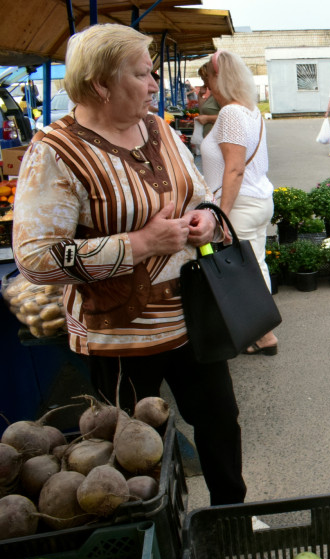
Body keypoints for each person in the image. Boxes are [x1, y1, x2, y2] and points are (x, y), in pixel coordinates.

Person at [12, 23, 246, 505]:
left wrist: (205, 219)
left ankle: (231, 518)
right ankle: (163, 531)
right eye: (142, 74)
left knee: (221, 422)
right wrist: (139, 244)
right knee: (135, 454)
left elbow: (200, 194)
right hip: (119, 336)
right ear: (101, 84)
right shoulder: (55, 152)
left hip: (193, 318)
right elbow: (35, 259)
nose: (155, 85)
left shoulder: (158, 129)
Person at [200, 49, 278, 356]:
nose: (207, 86)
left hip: (240, 203)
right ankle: (264, 331)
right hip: (257, 199)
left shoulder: (230, 113)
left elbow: (235, 169)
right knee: (256, 265)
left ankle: (264, 334)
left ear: (219, 78)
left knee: (244, 273)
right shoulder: (250, 110)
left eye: (208, 79)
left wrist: (222, 214)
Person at [195, 63, 220, 138]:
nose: (204, 83)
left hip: (217, 138)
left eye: (204, 79)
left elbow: (230, 117)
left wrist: (207, 118)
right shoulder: (213, 93)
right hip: (209, 137)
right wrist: (200, 95)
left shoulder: (221, 94)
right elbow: (202, 111)